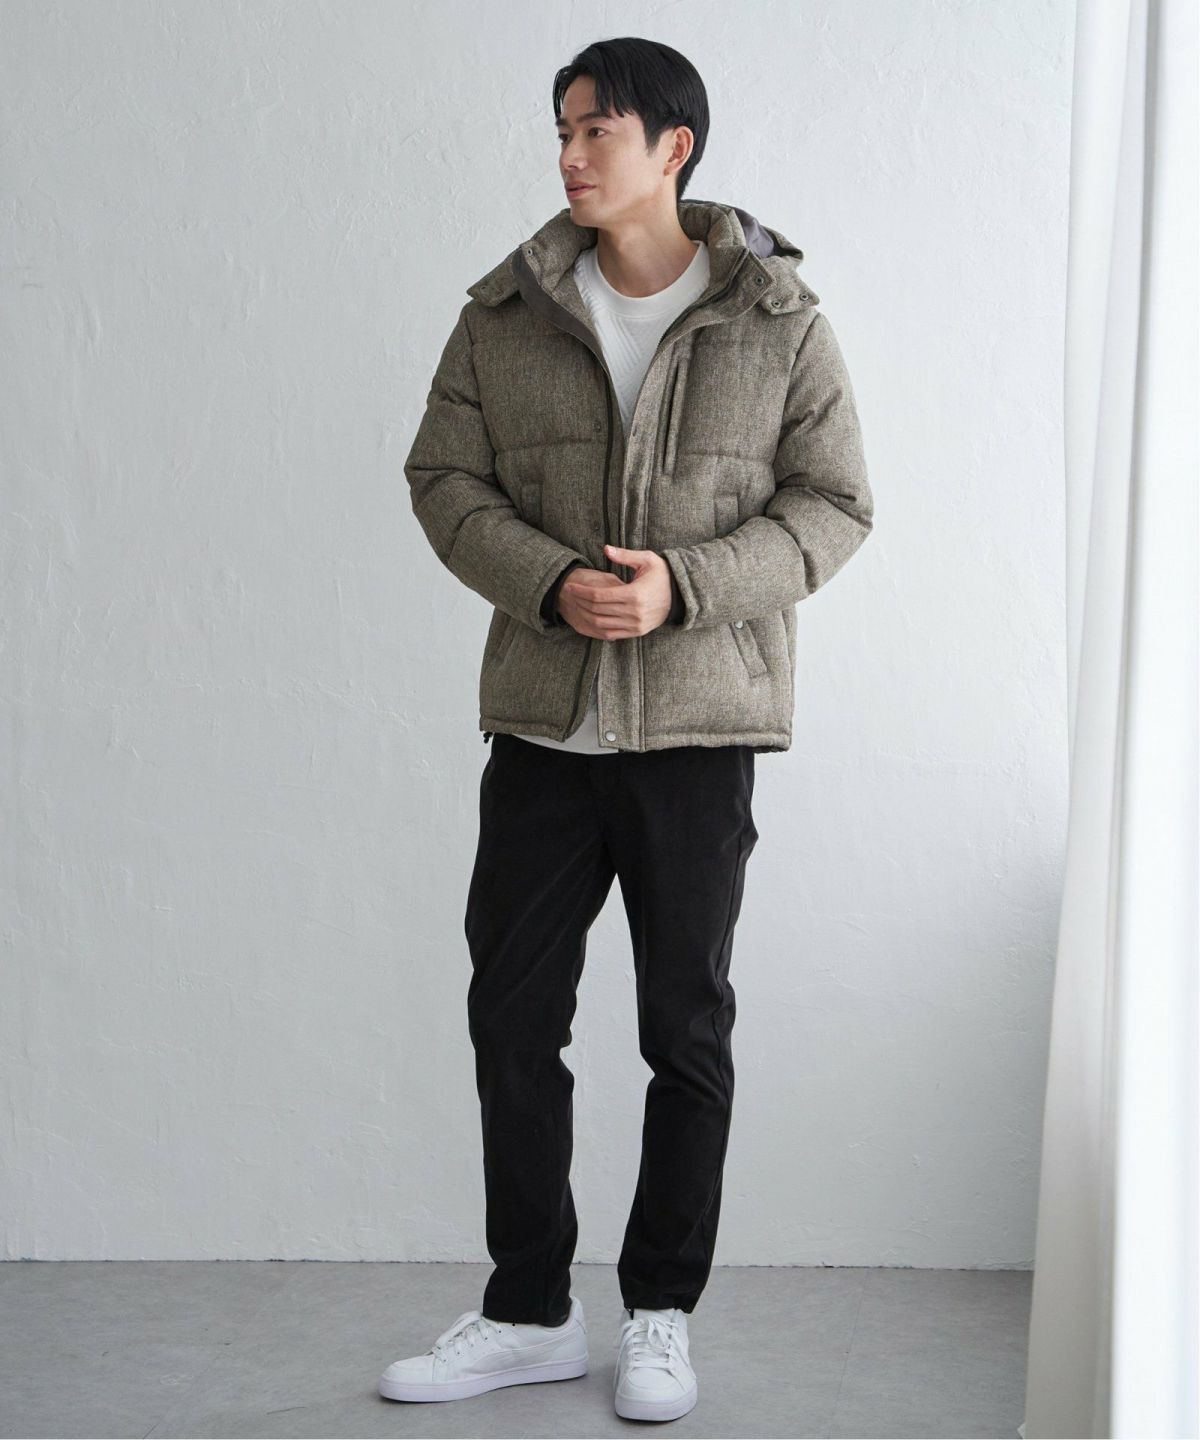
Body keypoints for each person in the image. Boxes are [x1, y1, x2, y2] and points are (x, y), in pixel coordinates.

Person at [381, 35, 873, 1424]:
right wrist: (549, 581)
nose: (570, 154)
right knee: (510, 1020)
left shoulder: (778, 320)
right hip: (544, 735)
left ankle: (660, 1313)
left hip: (699, 737)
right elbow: (442, 477)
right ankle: (529, 1310)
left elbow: (836, 505)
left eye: (598, 129)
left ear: (675, 148)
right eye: (562, 129)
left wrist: (684, 587)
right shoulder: (506, 312)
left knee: (685, 1032)